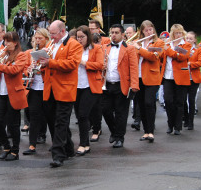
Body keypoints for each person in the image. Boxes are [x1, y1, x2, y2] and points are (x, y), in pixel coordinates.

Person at [39, 20, 82, 167]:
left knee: (60, 121)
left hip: (65, 89)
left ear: (62, 31)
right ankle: (69, 148)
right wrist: (40, 64)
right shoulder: (51, 44)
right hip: (50, 89)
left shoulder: (74, 44)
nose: (51, 36)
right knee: (52, 121)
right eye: (50, 33)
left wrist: (50, 63)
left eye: (53, 33)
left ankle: (58, 155)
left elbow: (71, 64)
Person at [101, 24, 139, 148]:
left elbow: (133, 68)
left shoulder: (129, 49)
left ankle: (119, 138)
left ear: (122, 35)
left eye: (116, 32)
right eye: (112, 32)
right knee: (105, 110)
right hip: (107, 85)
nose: (113, 35)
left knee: (121, 113)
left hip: (121, 85)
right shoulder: (105, 47)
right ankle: (114, 131)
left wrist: (134, 85)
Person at [0, 32, 28, 161]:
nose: (5, 44)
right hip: (1, 93)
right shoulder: (4, 55)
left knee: (13, 125)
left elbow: (14, 71)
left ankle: (15, 150)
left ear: (15, 42)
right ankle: (6, 147)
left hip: (14, 93)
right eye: (5, 41)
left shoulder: (21, 55)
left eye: (8, 41)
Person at [130, 20, 164, 142]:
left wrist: (139, 48)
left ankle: (151, 131)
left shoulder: (158, 42)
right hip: (138, 77)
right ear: (142, 32)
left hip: (152, 77)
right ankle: (146, 131)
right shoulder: (136, 42)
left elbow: (153, 57)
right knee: (141, 105)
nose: (149, 32)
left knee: (149, 103)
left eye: (151, 29)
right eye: (146, 30)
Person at [73, 25, 104, 156]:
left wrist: (84, 63)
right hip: (76, 86)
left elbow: (100, 65)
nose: (80, 39)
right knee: (79, 116)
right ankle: (85, 144)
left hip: (90, 86)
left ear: (88, 37)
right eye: (78, 37)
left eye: (82, 37)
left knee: (83, 114)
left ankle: (82, 143)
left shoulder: (96, 48)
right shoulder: (74, 49)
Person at [23, 29, 51, 155]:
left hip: (47, 87)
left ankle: (57, 143)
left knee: (50, 116)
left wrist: (42, 69)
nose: (38, 41)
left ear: (46, 39)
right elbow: (24, 69)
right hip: (34, 87)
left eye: (40, 38)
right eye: (36, 38)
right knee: (33, 116)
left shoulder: (50, 51)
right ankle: (32, 145)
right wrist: (29, 70)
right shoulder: (30, 53)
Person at [161, 24, 191, 135]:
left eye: (180, 33)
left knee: (179, 102)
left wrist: (168, 50)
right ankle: (170, 124)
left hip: (180, 77)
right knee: (168, 101)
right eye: (176, 33)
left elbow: (182, 57)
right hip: (168, 76)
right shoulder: (167, 44)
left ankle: (178, 127)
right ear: (172, 34)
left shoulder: (186, 45)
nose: (178, 35)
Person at [185, 31, 201, 130]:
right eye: (187, 38)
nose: (188, 40)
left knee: (191, 100)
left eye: (191, 39)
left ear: (195, 40)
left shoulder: (198, 49)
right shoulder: (183, 48)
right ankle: (185, 119)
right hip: (184, 78)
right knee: (183, 100)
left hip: (194, 78)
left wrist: (190, 64)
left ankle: (191, 122)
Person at [125, 25, 141, 131]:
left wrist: (134, 47)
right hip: (128, 74)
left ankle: (137, 120)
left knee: (139, 99)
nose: (128, 35)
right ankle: (136, 117)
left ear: (135, 33)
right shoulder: (125, 43)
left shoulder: (138, 42)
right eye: (127, 33)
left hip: (139, 73)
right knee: (133, 98)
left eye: (130, 33)